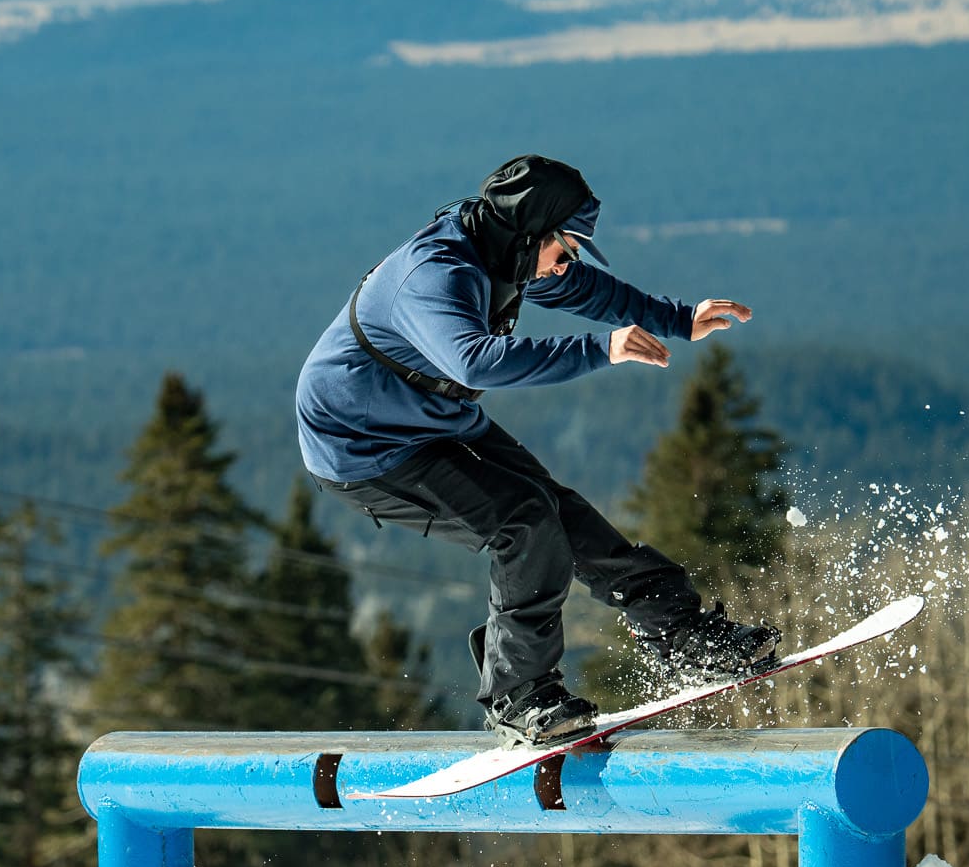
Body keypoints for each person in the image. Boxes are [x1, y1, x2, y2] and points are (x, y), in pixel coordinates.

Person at [295, 154, 783, 746]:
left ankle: (680, 634)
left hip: (433, 419)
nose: (566, 263)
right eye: (566, 248)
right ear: (532, 233)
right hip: (362, 446)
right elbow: (477, 361)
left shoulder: (501, 249)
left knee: (562, 514)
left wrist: (679, 318)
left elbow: (582, 289)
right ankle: (517, 696)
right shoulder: (433, 276)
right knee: (524, 524)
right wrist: (600, 349)